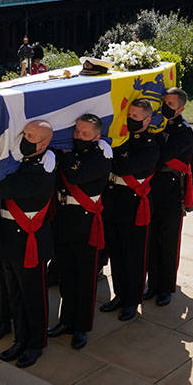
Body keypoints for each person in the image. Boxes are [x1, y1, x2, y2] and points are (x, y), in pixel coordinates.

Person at [0, 120, 56, 368]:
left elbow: (4, 188)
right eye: (25, 133)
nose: (25, 138)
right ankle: (20, 339)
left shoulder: (44, 169)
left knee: (34, 296)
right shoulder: (23, 162)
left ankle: (35, 344)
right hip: (10, 238)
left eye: (31, 136)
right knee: (15, 294)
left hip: (30, 241)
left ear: (44, 144)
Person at [50, 114, 113, 350]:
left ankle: (81, 327)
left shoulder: (101, 156)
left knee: (84, 277)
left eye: (84, 134)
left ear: (97, 137)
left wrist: (66, 156)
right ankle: (66, 320)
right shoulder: (72, 153)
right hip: (65, 218)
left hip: (86, 221)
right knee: (65, 273)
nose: (77, 136)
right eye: (76, 132)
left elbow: (76, 175)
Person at [100, 99, 161, 321]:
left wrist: (120, 151)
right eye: (130, 115)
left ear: (147, 120)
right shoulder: (121, 140)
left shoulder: (151, 144)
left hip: (135, 205)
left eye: (136, 117)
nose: (131, 120)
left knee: (134, 256)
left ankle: (132, 301)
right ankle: (120, 295)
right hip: (115, 200)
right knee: (116, 252)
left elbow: (127, 166)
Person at [146, 88, 193, 307]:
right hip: (152, 188)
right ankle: (153, 283)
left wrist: (192, 198)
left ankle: (166, 287)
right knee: (151, 238)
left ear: (181, 108)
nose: (166, 106)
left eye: (171, 103)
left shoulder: (184, 131)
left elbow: (163, 156)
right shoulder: (157, 125)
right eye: (164, 102)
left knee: (168, 241)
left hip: (171, 189)